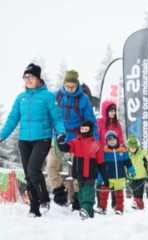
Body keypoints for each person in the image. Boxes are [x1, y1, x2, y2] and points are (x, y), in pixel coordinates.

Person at [0, 63, 66, 217]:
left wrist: (61, 133)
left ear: (38, 78)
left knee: (33, 170)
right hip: (24, 141)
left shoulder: (48, 96)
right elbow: (12, 118)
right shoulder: (21, 97)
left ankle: (44, 199)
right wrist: (2, 135)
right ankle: (33, 209)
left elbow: (57, 118)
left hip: (42, 139)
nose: (27, 80)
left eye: (31, 77)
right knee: (28, 175)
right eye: (25, 77)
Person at [46, 70, 98, 209]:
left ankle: (77, 197)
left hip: (77, 139)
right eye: (67, 86)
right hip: (59, 136)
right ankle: (59, 191)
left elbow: (91, 121)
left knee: (78, 170)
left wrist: (96, 140)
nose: (69, 89)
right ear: (64, 84)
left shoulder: (83, 99)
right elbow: (47, 114)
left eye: (72, 86)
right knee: (51, 166)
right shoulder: (57, 96)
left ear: (77, 85)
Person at [57, 120, 109, 220]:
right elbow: (65, 148)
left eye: (86, 129)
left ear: (91, 130)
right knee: (81, 193)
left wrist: (105, 177)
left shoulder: (96, 145)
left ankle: (85, 209)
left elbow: (101, 163)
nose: (84, 131)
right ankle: (87, 213)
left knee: (88, 191)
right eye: (82, 129)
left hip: (90, 173)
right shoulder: (76, 142)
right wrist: (61, 142)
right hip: (79, 173)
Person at [95, 131, 135, 215]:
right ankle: (102, 208)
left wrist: (132, 171)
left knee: (119, 194)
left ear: (117, 139)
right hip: (108, 177)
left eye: (113, 139)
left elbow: (128, 162)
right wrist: (100, 177)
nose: (112, 141)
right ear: (106, 141)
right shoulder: (104, 150)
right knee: (103, 193)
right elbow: (100, 163)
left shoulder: (122, 150)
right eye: (109, 140)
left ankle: (119, 208)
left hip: (120, 177)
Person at [96, 100, 125, 208]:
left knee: (115, 177)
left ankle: (115, 203)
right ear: (105, 111)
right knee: (102, 178)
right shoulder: (100, 122)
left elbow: (121, 138)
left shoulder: (117, 123)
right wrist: (99, 150)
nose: (113, 113)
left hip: (115, 155)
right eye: (111, 111)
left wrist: (122, 149)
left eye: (114, 110)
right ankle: (100, 203)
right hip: (103, 154)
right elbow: (97, 137)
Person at [126, 135, 148, 210]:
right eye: (130, 148)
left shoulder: (143, 153)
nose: (132, 149)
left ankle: (136, 203)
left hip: (142, 176)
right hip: (132, 176)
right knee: (134, 191)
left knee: (139, 191)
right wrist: (126, 174)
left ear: (137, 146)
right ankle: (140, 205)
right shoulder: (128, 155)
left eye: (133, 147)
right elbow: (125, 165)